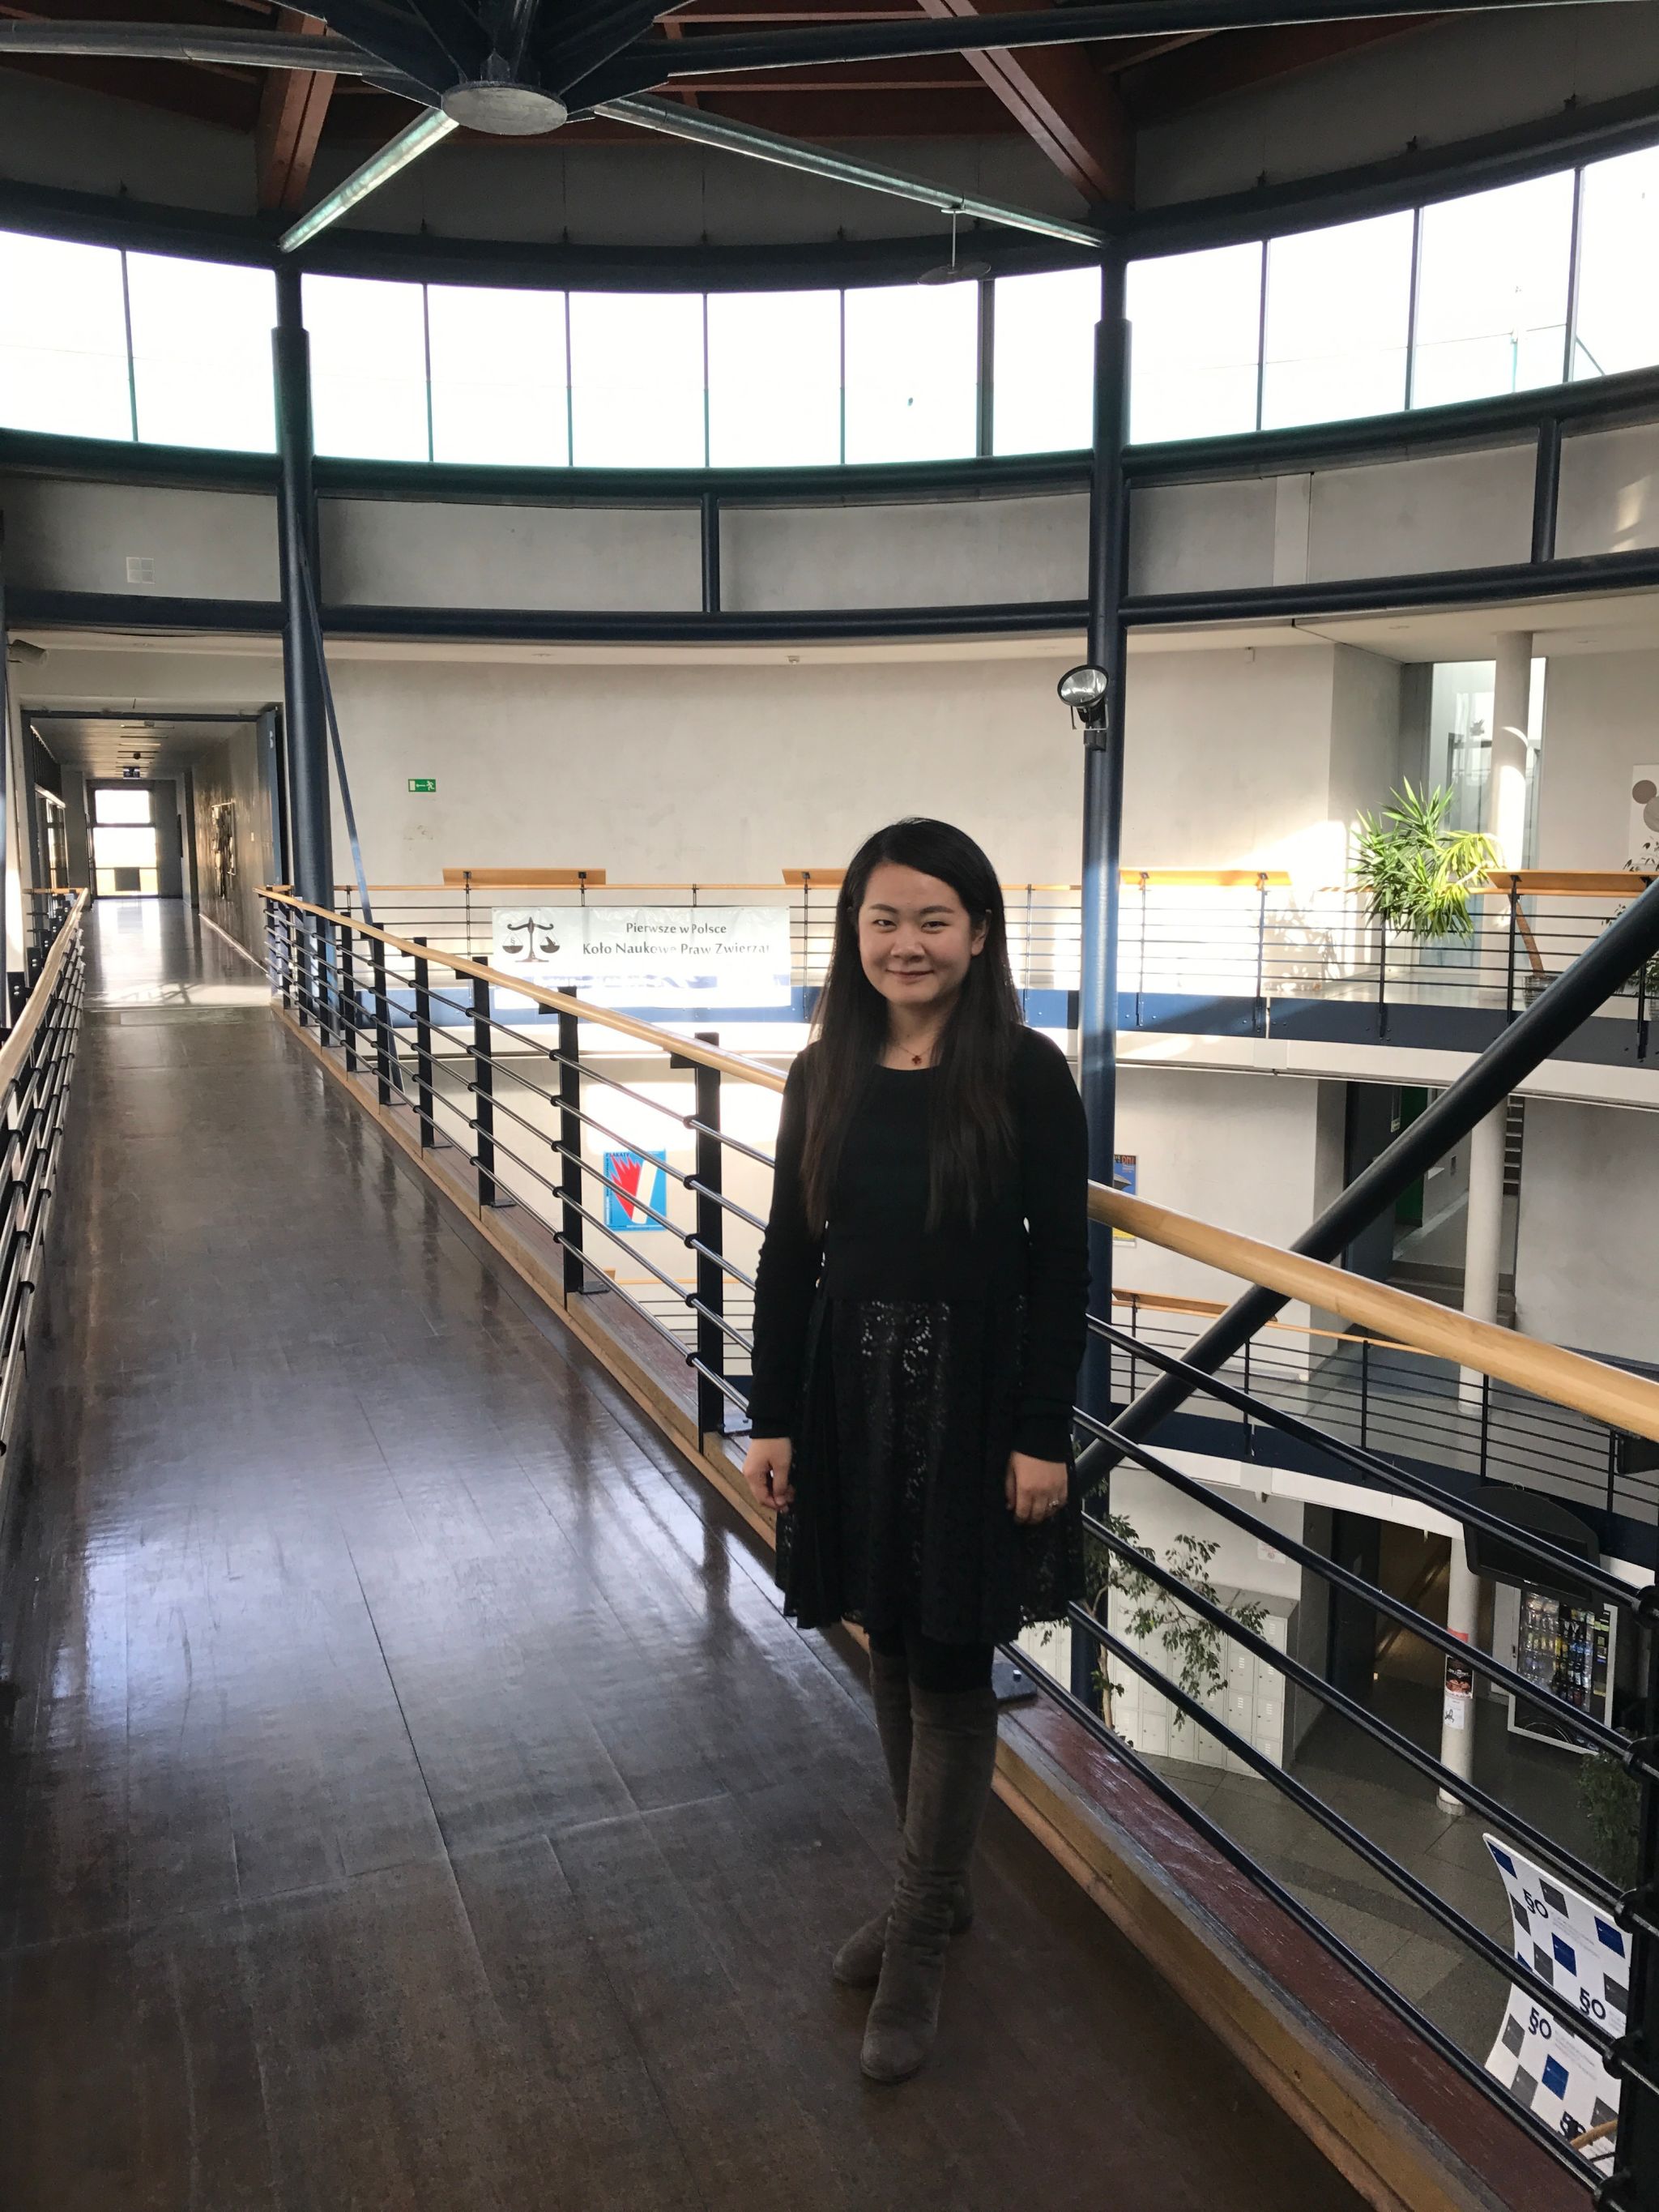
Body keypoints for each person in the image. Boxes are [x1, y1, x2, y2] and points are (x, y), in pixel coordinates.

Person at [741, 816, 1090, 2086]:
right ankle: (933, 1891)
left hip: (973, 1403)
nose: (907, 943)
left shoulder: (1027, 1074)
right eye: (883, 919)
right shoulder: (822, 1071)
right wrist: (773, 1414)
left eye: (933, 919)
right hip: (851, 1394)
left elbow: (1062, 1266)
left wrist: (1041, 1432)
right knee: (888, 1640)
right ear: (855, 933)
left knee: (948, 1666)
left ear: (979, 933)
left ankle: (920, 1938)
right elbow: (790, 1256)